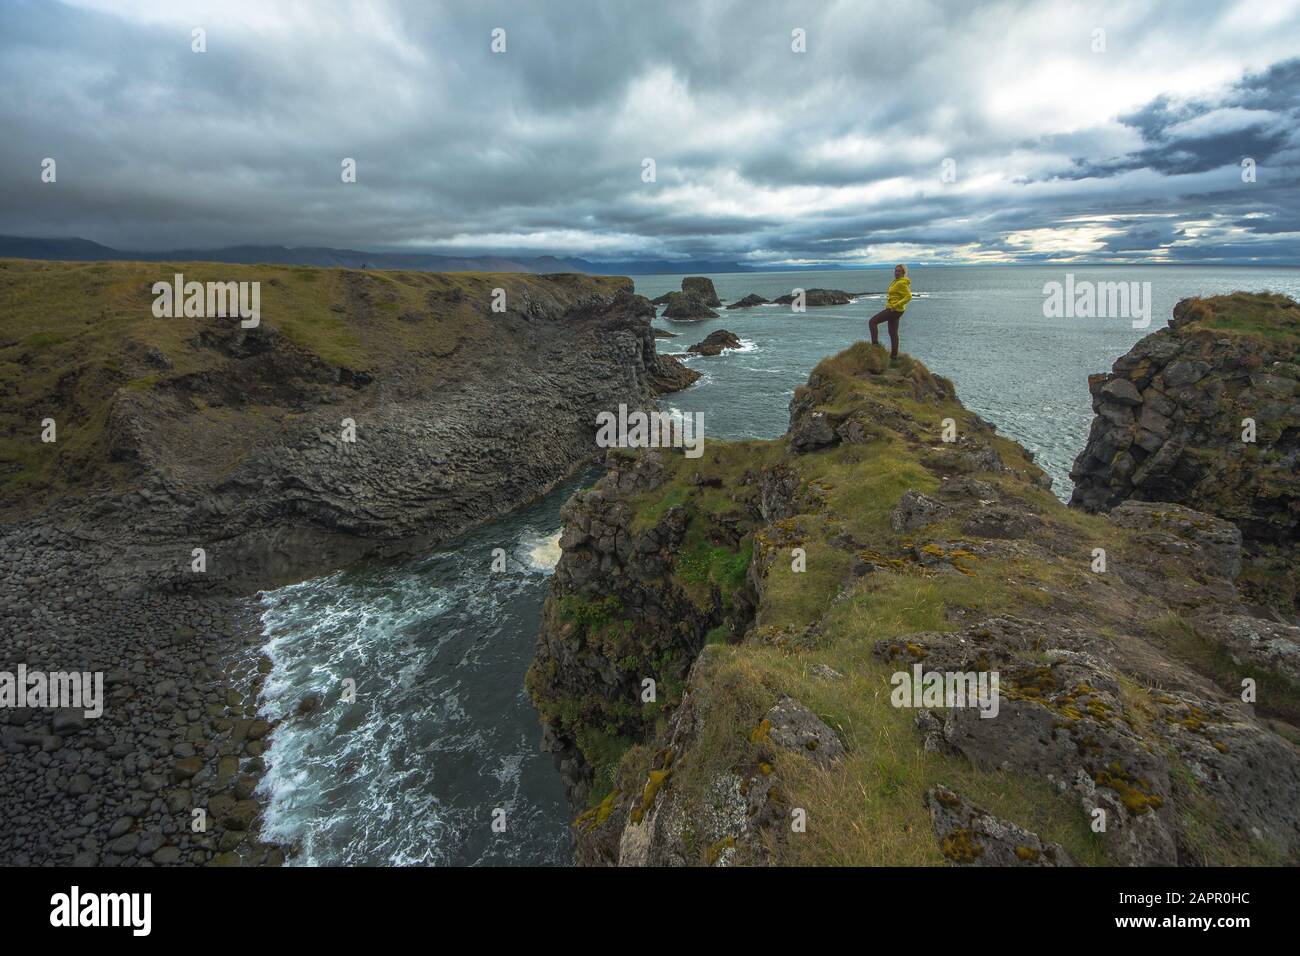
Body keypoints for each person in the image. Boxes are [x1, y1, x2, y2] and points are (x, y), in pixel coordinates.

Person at [869, 264, 912, 360]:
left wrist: (895, 305)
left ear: (903, 273)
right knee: (893, 333)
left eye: (899, 271)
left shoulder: (901, 283)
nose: (896, 272)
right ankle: (894, 357)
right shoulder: (896, 281)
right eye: (895, 270)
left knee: (872, 322)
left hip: (894, 310)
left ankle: (875, 347)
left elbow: (909, 296)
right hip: (896, 310)